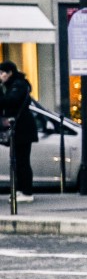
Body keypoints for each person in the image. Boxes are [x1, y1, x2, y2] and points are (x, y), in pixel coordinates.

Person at [0, 61, 37, 203]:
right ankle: (21, 190)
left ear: (10, 73)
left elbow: (11, 101)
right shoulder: (13, 85)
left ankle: (27, 192)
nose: (1, 76)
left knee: (22, 160)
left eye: (2, 73)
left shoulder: (18, 84)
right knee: (18, 160)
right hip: (20, 127)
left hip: (23, 128)